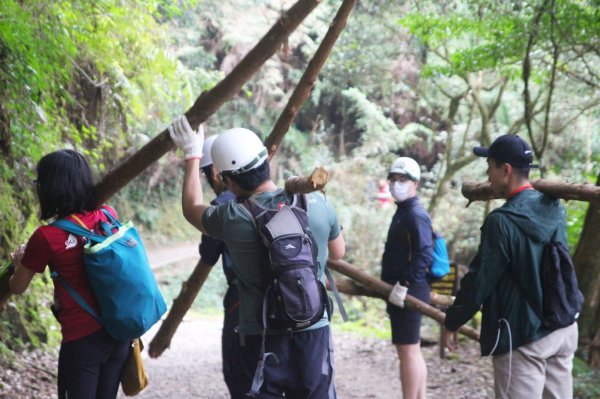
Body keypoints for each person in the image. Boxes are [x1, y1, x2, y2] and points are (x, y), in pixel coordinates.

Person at [169, 116, 345, 398]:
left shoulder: (231, 216)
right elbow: (338, 252)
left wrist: (192, 153)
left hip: (260, 332)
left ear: (226, 180)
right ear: (267, 162)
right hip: (314, 327)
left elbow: (191, 208)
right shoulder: (317, 202)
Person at [443, 135, 579, 398]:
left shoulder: (501, 222)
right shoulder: (554, 206)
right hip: (563, 328)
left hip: (524, 336)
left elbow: (479, 281)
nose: (487, 175)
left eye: (490, 167)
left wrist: (453, 321)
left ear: (505, 170)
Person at [0, 150, 129, 399]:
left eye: (39, 182)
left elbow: (17, 287)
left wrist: (18, 263)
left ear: (51, 188)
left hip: (82, 340)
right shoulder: (107, 216)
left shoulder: (46, 237)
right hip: (118, 333)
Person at [381, 157, 433, 399]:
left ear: (416, 184)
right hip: (403, 290)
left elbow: (425, 253)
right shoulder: (404, 211)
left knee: (408, 352)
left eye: (403, 180)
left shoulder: (415, 214)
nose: (396, 184)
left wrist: (404, 284)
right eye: (393, 179)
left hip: (409, 291)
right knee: (413, 350)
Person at [197, 135, 239, 396]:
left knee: (239, 376)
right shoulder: (276, 198)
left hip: (242, 302)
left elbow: (208, 254)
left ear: (215, 170)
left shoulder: (221, 207)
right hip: (287, 302)